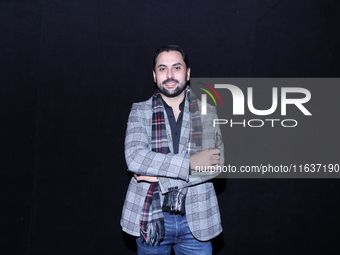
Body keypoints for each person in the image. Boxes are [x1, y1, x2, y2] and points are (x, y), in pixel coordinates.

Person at [121, 45, 224, 255]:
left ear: (187, 73)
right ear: (154, 75)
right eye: (162, 68)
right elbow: (135, 158)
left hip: (198, 218)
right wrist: (190, 163)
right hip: (151, 217)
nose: (169, 75)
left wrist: (159, 178)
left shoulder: (207, 112)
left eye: (176, 68)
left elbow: (215, 165)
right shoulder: (139, 111)